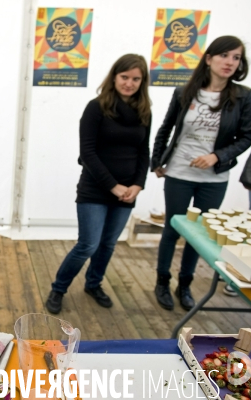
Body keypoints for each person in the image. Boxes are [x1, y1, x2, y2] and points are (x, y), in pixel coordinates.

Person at [151, 35, 251, 311]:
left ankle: (185, 285)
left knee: (199, 235)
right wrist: (157, 160)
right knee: (173, 228)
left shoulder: (243, 96)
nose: (230, 62)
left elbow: (246, 137)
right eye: (224, 55)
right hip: (180, 173)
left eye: (236, 57)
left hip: (215, 178)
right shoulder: (184, 91)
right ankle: (162, 282)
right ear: (209, 58)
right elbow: (166, 128)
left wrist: (216, 157)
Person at [45, 54, 151, 314]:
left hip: (127, 193)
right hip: (95, 189)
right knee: (88, 245)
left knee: (108, 244)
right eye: (124, 77)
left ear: (142, 81)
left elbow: (144, 152)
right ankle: (58, 288)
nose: (129, 83)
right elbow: (88, 152)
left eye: (136, 79)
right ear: (114, 76)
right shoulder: (97, 107)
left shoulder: (143, 111)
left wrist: (138, 185)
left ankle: (94, 284)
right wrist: (113, 186)